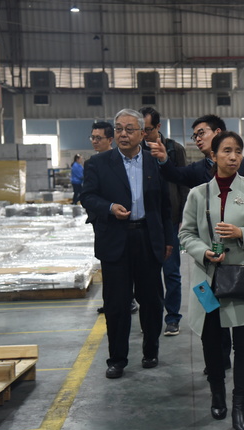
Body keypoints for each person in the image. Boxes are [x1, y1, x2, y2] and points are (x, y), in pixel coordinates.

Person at [150, 114, 244, 369]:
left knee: (243, 311)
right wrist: (164, 159)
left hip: (239, 259)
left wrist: (241, 233)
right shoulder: (198, 172)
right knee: (213, 315)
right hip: (209, 262)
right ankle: (218, 360)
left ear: (218, 132)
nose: (198, 139)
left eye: (201, 133)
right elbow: (176, 175)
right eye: (195, 136)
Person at [179, 131, 244, 430]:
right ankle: (217, 393)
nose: (233, 157)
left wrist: (241, 233)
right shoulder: (198, 194)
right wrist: (203, 252)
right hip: (206, 280)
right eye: (227, 151)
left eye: (238, 151)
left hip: (243, 277)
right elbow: (186, 234)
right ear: (214, 156)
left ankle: (240, 406)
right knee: (211, 340)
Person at [81, 108, 174, 379]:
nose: (123, 134)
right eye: (119, 129)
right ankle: (117, 359)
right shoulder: (98, 163)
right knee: (117, 304)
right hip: (115, 239)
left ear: (142, 134)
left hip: (147, 237)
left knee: (152, 301)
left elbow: (165, 205)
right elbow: (87, 197)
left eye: (129, 129)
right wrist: (109, 207)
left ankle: (151, 350)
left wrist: (168, 239)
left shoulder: (154, 161)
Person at [139, 107, 189, 337]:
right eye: (140, 129)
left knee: (171, 272)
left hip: (171, 220)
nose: (143, 134)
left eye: (147, 129)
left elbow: (183, 183)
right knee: (147, 273)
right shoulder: (136, 150)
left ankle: (173, 318)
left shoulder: (174, 150)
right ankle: (151, 318)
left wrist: (184, 218)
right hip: (145, 221)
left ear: (158, 127)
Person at [87, 120, 138, 315]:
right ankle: (112, 303)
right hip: (105, 224)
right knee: (110, 271)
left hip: (127, 224)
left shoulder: (122, 162)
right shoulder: (94, 163)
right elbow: (88, 195)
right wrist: (104, 210)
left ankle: (130, 299)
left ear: (110, 139)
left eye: (98, 138)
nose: (95, 141)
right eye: (93, 138)